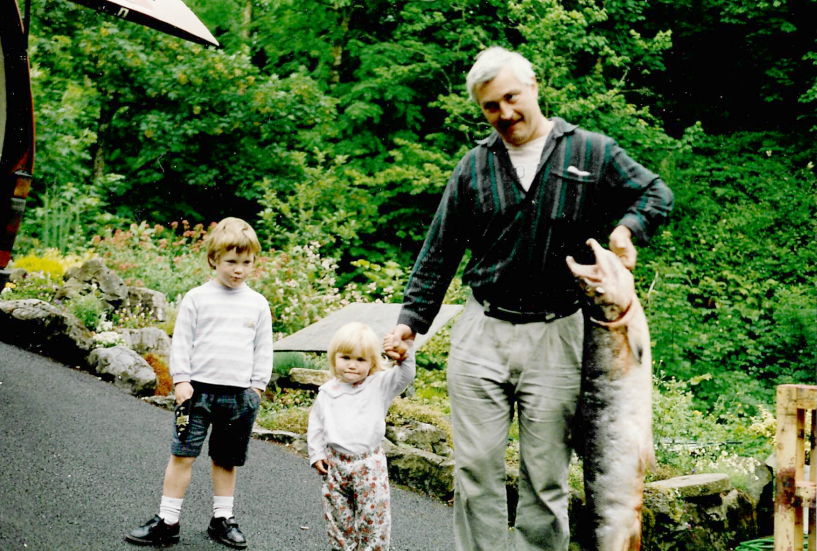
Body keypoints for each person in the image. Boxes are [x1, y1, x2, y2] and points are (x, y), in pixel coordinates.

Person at [384, 46, 674, 551]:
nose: (505, 114)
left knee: (546, 479)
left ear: (534, 86)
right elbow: (441, 247)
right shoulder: (474, 165)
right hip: (481, 331)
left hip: (560, 333)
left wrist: (628, 230)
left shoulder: (591, 152)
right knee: (475, 470)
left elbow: (655, 194)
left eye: (511, 98)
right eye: (491, 107)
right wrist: (412, 321)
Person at [126, 217, 273, 549]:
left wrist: (257, 388)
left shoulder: (257, 304)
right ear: (214, 259)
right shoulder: (197, 298)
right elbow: (182, 341)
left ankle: (223, 519)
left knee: (226, 459)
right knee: (183, 455)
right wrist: (180, 380)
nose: (238, 269)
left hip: (238, 396)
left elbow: (263, 348)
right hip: (196, 394)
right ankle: (167, 520)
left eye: (246, 262)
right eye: (231, 262)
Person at [307, 322, 416, 551]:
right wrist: (316, 454)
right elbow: (316, 425)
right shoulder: (328, 392)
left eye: (360, 360)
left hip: (369, 465)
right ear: (334, 357)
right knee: (339, 521)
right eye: (346, 357)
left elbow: (405, 375)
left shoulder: (379, 385)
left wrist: (405, 351)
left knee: (373, 521)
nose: (352, 366)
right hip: (336, 465)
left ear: (372, 362)